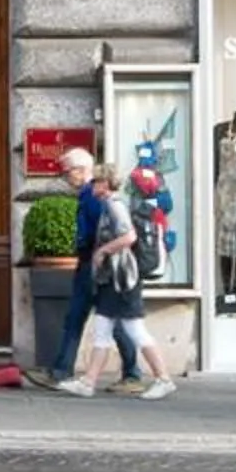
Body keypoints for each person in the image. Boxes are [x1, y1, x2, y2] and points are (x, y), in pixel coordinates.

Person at [69, 167, 177, 398]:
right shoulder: (111, 205)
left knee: (135, 330)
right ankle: (88, 383)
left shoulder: (116, 206)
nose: (93, 185)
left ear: (106, 183)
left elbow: (129, 237)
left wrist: (102, 252)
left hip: (124, 280)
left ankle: (164, 379)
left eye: (97, 181)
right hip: (113, 279)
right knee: (102, 329)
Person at [21, 147, 103, 392]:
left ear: (80, 170)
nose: (66, 178)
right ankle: (61, 370)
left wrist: (93, 251)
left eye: (67, 172)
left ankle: (61, 372)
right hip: (89, 263)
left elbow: (100, 228)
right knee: (83, 318)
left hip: (92, 265)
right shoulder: (88, 193)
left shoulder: (91, 194)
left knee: (104, 321)